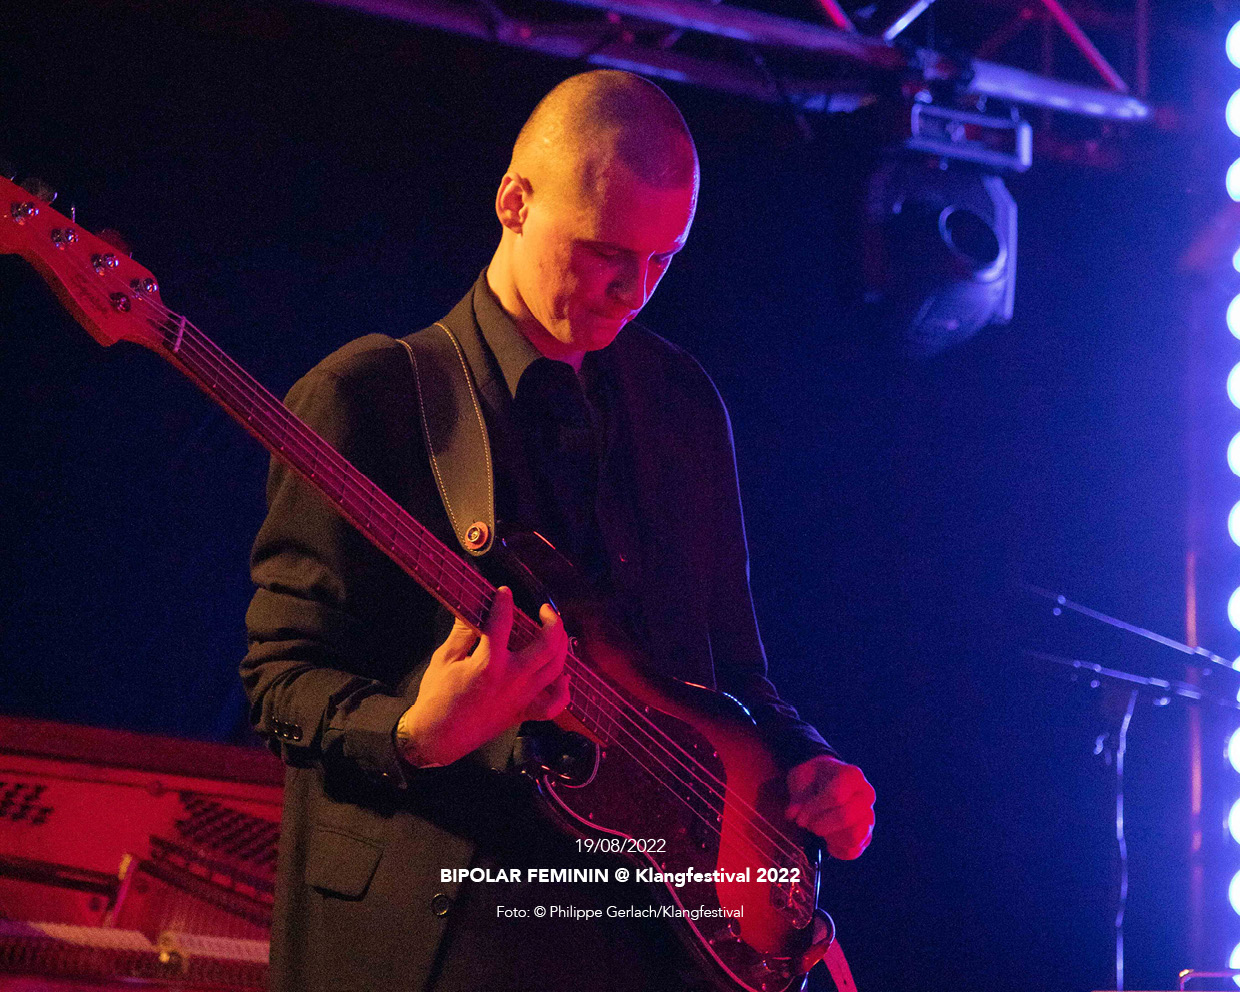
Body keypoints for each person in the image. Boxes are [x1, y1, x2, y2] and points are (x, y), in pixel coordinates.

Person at [241, 69, 875, 992]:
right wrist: (415, 732)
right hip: (447, 929)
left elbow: (734, 675)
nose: (635, 290)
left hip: (648, 941)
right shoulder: (367, 398)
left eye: (664, 260)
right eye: (607, 252)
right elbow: (280, 679)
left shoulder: (682, 404)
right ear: (514, 203)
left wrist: (805, 768)